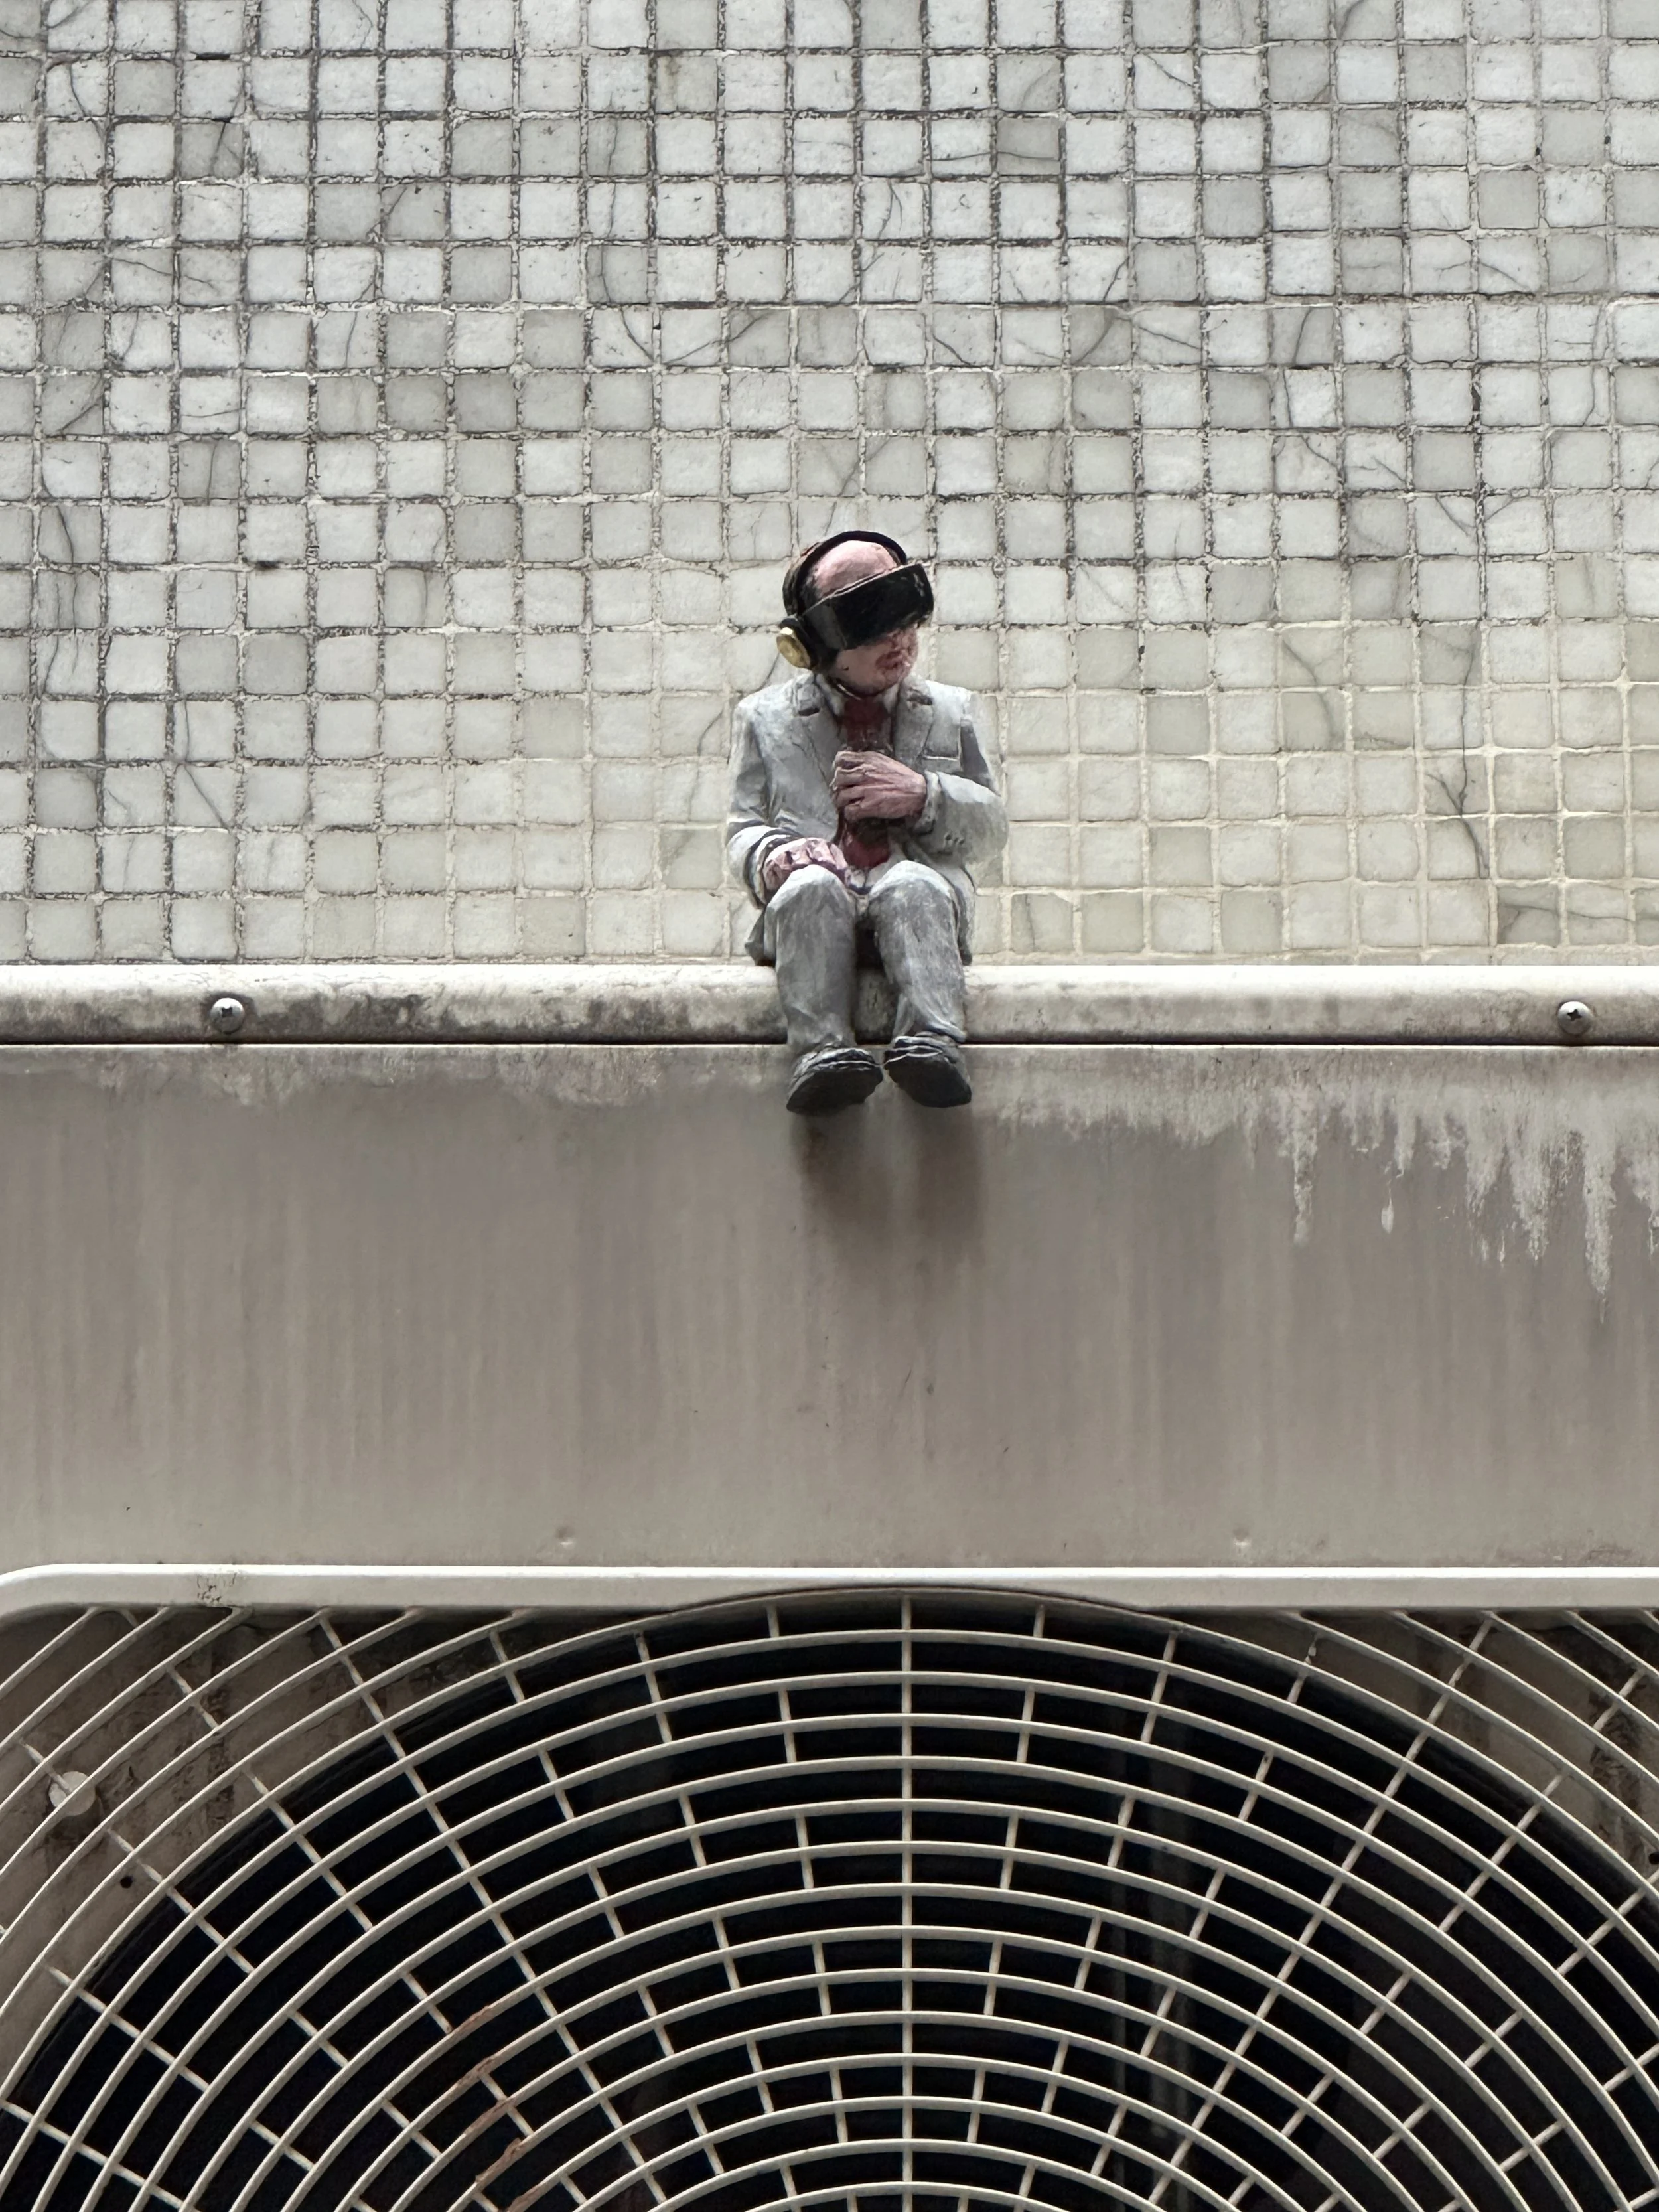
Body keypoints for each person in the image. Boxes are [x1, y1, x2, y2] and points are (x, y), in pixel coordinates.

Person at [727, 531, 1008, 1114]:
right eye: (877, 633)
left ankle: (932, 1042)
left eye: (906, 627)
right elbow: (743, 827)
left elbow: (990, 827)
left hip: (914, 889)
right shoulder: (763, 719)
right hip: (817, 893)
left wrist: (923, 796)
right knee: (809, 889)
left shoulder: (950, 711)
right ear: (814, 647)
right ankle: (822, 1052)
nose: (899, 644)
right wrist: (773, 857)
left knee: (915, 886)